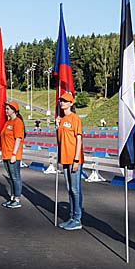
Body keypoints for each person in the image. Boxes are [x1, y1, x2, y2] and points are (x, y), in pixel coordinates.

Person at [56, 92, 84, 231]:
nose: (62, 103)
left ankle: (77, 218)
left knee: (75, 189)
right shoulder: (61, 120)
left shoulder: (75, 118)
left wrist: (77, 159)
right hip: (64, 158)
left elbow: (78, 139)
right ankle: (72, 217)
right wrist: (57, 126)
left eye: (65, 101)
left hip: (74, 158)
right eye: (61, 100)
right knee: (69, 189)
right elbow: (60, 140)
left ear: (71, 103)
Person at [0, 101, 25, 208]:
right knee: (11, 177)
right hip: (5, 154)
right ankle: (12, 197)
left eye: (8, 109)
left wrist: (14, 154)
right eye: (6, 108)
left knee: (15, 177)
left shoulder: (17, 122)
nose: (6, 110)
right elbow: (5, 135)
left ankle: (17, 199)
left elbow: (18, 138)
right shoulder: (8, 122)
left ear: (14, 110)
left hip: (13, 154)